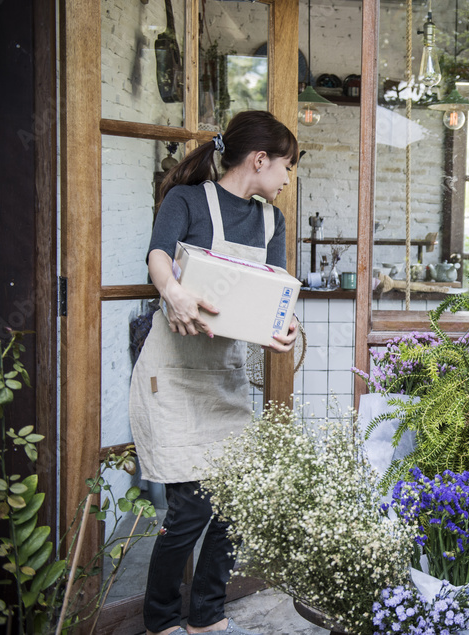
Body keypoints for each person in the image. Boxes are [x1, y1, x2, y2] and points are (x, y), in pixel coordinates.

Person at [129, 111, 301, 635]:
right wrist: (173, 290)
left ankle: (206, 614)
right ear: (260, 159)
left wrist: (285, 325)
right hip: (174, 376)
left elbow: (273, 295)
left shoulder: (273, 222)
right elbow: (158, 256)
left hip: (223, 377)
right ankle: (160, 619)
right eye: (287, 167)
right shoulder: (186, 201)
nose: (287, 179)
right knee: (188, 512)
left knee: (234, 506)